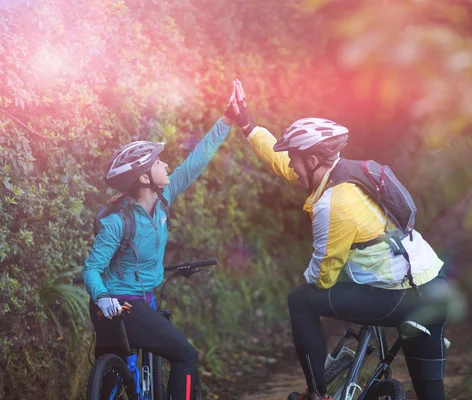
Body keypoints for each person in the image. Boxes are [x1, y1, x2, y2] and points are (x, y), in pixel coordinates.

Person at [228, 80, 449, 400]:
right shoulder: (344, 172)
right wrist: (246, 123)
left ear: (313, 161)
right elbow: (282, 164)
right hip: (431, 284)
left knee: (301, 300)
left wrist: (311, 281)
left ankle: (317, 393)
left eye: (294, 158)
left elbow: (323, 276)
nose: (290, 164)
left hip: (402, 296)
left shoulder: (333, 203)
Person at [81, 83, 241, 400]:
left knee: (118, 379)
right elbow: (91, 270)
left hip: (138, 301)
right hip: (121, 303)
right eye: (157, 163)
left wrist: (226, 119)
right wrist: (102, 296)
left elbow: (196, 162)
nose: (165, 165)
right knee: (185, 355)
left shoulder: (163, 200)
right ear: (143, 179)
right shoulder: (118, 222)